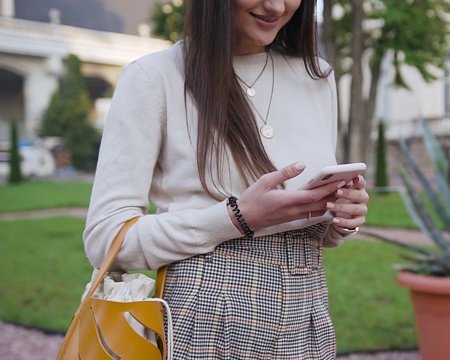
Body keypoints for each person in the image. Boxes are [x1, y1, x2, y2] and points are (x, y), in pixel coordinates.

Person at [83, 0, 369, 359]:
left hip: (307, 308)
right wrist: (233, 219)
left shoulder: (317, 77)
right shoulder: (153, 77)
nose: (276, 6)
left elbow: (313, 230)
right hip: (206, 311)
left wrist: (342, 217)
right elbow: (105, 238)